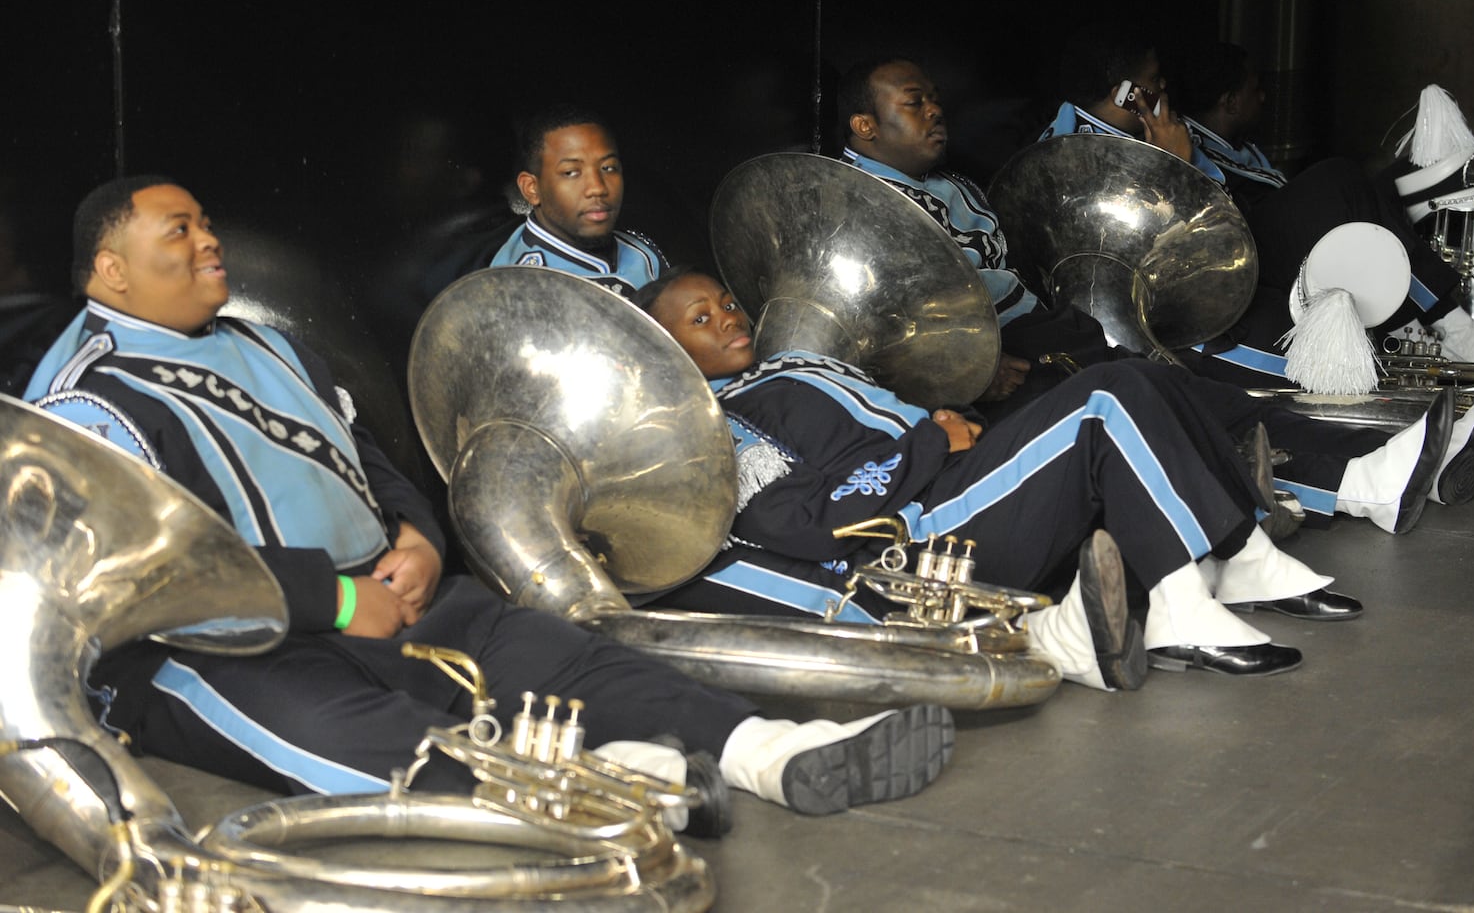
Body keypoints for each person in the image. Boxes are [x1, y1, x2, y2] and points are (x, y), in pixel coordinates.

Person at [22, 175, 954, 821]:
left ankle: (773, 752)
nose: (207, 239)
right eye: (177, 230)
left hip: (393, 589)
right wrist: (341, 601)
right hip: (230, 653)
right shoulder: (83, 399)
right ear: (110, 271)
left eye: (204, 222)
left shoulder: (264, 343)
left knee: (575, 659)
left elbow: (369, 461)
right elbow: (148, 574)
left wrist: (419, 538)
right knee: (400, 755)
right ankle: (608, 794)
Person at [836, 55, 1474, 522]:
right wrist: (973, 370)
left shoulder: (952, 186)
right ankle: (1355, 486)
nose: (935, 112)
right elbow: (883, 324)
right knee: (1166, 414)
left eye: (933, 98)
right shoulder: (855, 204)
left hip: (1052, 328)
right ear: (864, 126)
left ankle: (1396, 460)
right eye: (913, 102)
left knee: (1203, 394)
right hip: (992, 356)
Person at [643, 267, 1371, 681]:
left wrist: (938, 425)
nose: (728, 318)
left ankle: (1238, 554)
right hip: (923, 537)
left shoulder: (786, 367)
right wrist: (924, 444)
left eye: (727, 302)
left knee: (1131, 372)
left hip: (952, 485)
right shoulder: (716, 430)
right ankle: (1179, 608)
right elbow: (797, 522)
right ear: (669, 351)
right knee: (1105, 405)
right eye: (700, 319)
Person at [1160, 39, 1474, 438]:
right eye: (1253, 89)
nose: (1263, 97)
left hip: (1285, 252)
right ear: (1229, 102)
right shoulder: (1186, 145)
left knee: (1399, 178)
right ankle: (1452, 327)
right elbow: (1210, 230)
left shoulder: (1237, 145)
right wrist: (1179, 161)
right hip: (1248, 270)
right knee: (1338, 179)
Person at [487, 105, 667, 296]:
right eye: (571, 172)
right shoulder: (519, 285)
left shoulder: (642, 252)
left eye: (608, 168)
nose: (597, 187)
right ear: (532, 188)